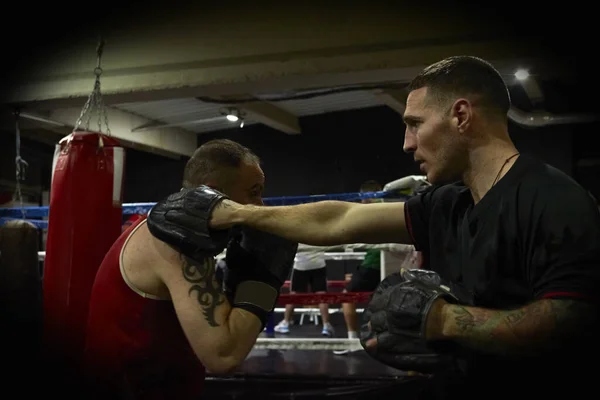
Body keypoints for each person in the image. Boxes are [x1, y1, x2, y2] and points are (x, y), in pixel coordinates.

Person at [152, 56, 600, 397]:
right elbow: (343, 218)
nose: (407, 143)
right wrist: (235, 213)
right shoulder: (449, 203)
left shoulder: (553, 199)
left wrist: (445, 320)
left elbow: (571, 319)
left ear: (461, 116)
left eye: (415, 124)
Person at [82, 139, 297, 399]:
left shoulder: (176, 230)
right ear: (214, 194)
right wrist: (262, 279)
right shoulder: (175, 242)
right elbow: (223, 356)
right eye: (253, 192)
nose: (259, 206)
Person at [274, 243, 335, 336]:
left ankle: (286, 323)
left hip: (301, 265)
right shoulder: (320, 228)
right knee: (321, 294)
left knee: (294, 294)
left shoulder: (300, 229)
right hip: (318, 264)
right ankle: (326, 325)